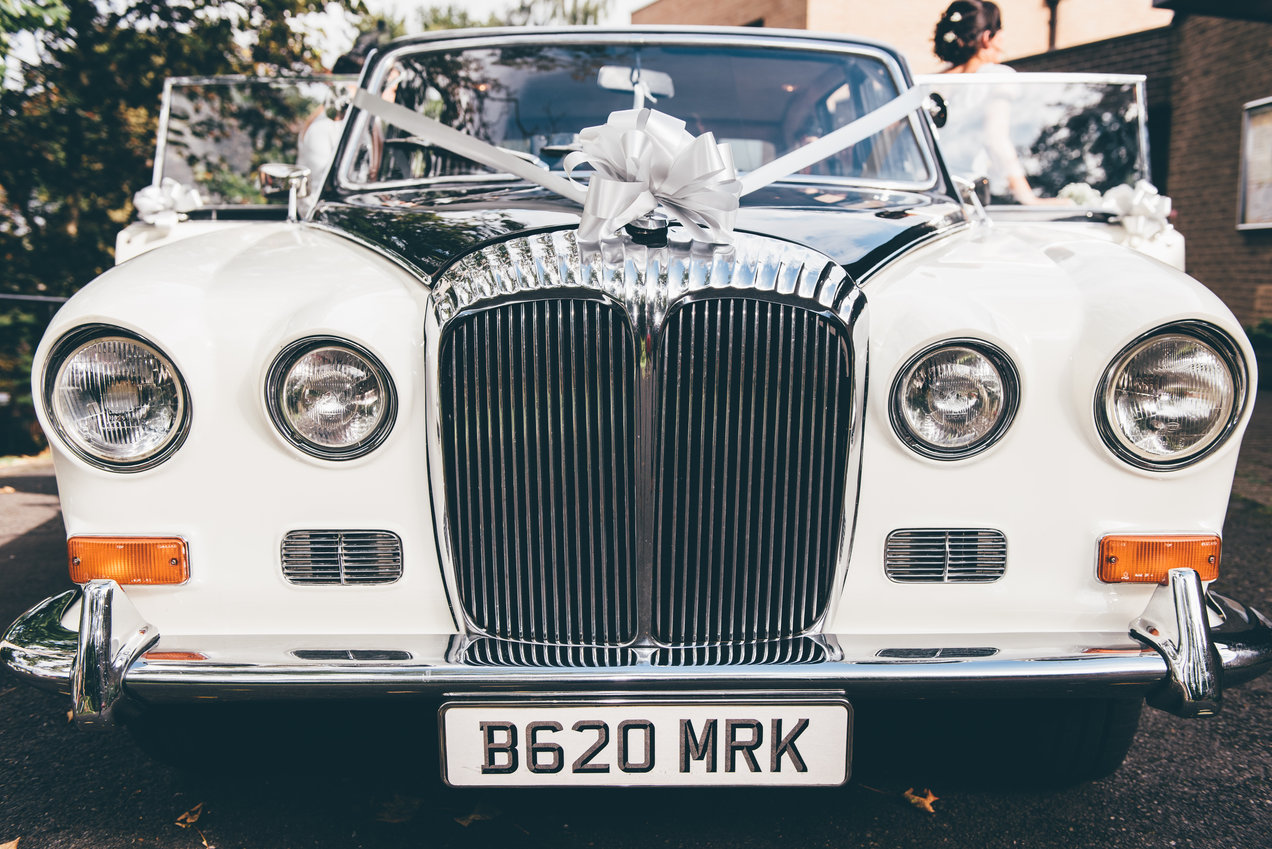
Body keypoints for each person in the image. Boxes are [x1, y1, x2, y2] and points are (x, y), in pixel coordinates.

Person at [933, 1, 1061, 205]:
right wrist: (1029, 198)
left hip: (925, 195)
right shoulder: (996, 76)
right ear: (987, 37)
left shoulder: (929, 82)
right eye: (1000, 32)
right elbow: (996, 139)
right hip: (964, 197)